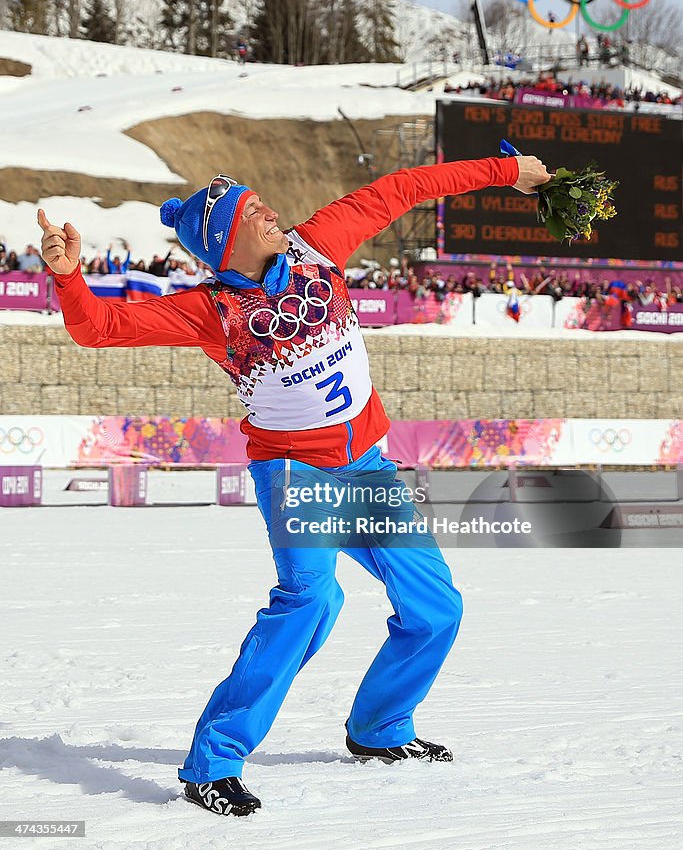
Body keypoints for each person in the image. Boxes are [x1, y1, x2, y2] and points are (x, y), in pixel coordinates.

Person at [38, 151, 551, 819]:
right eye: (252, 212)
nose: (270, 211)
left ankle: (379, 730)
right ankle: (213, 763)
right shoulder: (210, 310)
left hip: (366, 466)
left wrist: (502, 171)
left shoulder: (318, 244)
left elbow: (403, 188)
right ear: (225, 240)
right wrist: (69, 276)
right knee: (310, 602)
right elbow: (99, 329)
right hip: (296, 470)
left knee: (435, 609)